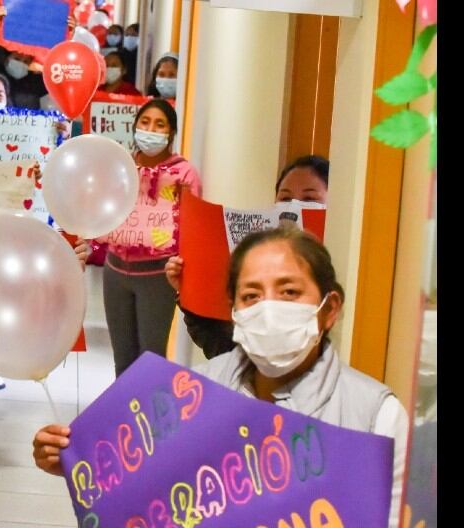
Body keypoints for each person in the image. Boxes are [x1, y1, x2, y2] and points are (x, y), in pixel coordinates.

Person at [32, 227, 407, 528]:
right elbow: (150, 489)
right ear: (234, 311)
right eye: (251, 296)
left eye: (289, 292)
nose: (269, 308)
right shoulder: (191, 393)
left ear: (329, 309)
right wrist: (78, 464)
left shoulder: (377, 417)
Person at [165, 155, 330, 359]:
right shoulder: (256, 264)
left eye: (309, 199)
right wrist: (188, 289)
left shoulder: (344, 268)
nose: (293, 206)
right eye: (285, 198)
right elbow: (220, 347)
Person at [96, 98, 201, 377]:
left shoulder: (184, 174)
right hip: (115, 271)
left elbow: (193, 226)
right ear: (134, 126)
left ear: (171, 133)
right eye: (145, 122)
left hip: (157, 276)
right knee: (122, 359)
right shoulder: (119, 166)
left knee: (151, 359)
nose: (150, 129)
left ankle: (153, 419)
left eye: (159, 124)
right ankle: (123, 418)